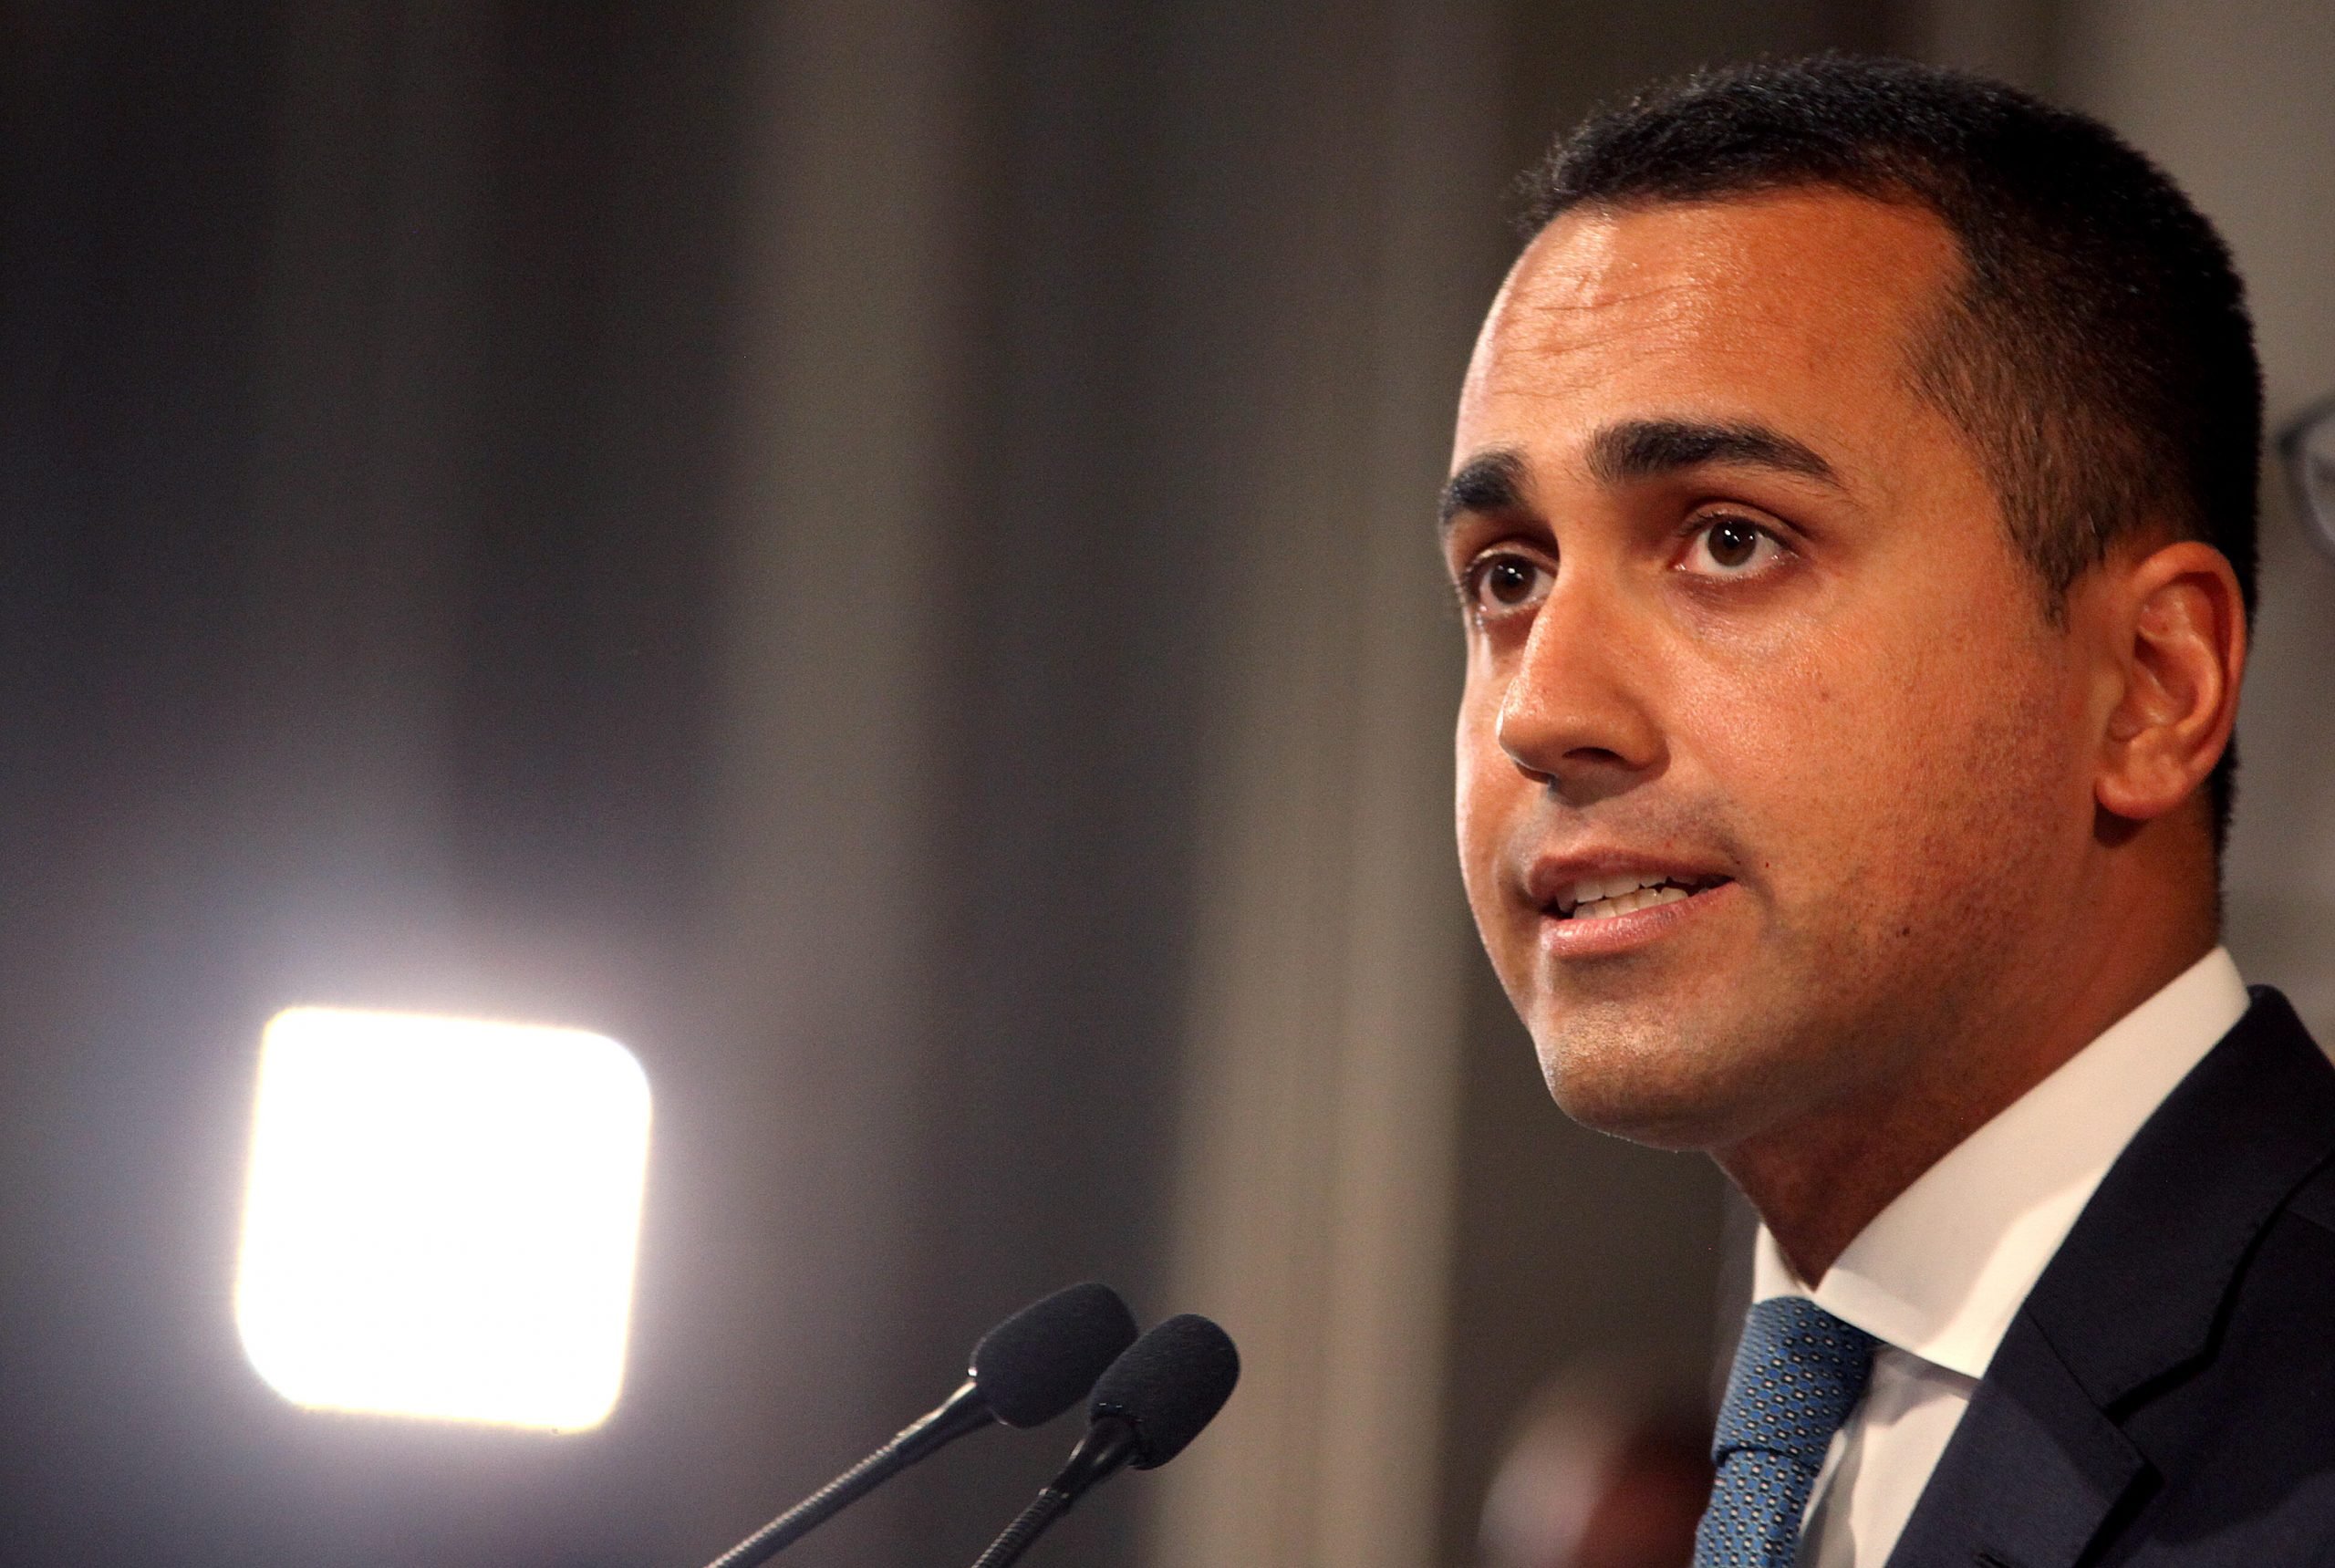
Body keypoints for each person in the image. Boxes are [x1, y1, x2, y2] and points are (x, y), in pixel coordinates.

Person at [1442, 55, 2332, 1568]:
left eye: (1731, 541)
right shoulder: (1787, 1438)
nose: (1541, 711)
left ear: (2149, 687)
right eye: (1509, 576)